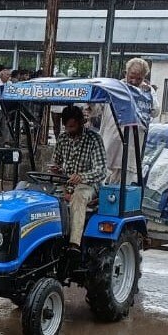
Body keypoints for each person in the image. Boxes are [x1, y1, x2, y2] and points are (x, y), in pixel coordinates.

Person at [49, 106, 107, 255]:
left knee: (79, 196)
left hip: (88, 185)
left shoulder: (94, 139)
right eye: (67, 127)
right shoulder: (62, 138)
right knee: (44, 196)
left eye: (73, 126)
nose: (70, 130)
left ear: (82, 122)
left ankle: (74, 243)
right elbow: (56, 162)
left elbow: (100, 170)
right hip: (66, 182)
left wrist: (82, 176)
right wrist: (55, 169)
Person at [100, 58, 156, 184]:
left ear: (144, 77)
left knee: (124, 188)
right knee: (103, 184)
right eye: (132, 77)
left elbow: (155, 111)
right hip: (111, 142)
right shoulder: (113, 88)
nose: (134, 81)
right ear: (126, 73)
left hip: (132, 147)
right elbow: (96, 108)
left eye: (139, 79)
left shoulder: (147, 91)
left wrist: (146, 94)